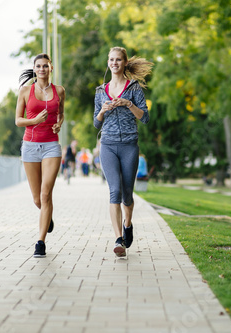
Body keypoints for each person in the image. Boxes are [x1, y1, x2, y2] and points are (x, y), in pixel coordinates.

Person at [94, 46, 153, 257]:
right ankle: (118, 239)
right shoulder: (101, 91)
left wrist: (128, 104)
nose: (114, 63)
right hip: (108, 145)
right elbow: (95, 123)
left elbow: (144, 117)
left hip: (129, 145)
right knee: (115, 191)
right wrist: (102, 110)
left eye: (118, 60)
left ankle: (128, 224)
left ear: (124, 63)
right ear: (108, 62)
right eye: (111, 59)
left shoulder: (134, 88)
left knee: (127, 195)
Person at [15, 53, 65, 258]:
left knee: (46, 194)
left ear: (51, 68)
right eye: (39, 66)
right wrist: (34, 121)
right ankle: (48, 216)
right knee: (37, 199)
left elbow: (61, 113)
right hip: (30, 146)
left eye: (46, 66)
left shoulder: (59, 91)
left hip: (51, 146)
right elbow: (18, 120)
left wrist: (59, 124)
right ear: (34, 69)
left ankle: (40, 242)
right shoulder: (26, 91)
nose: (42, 69)